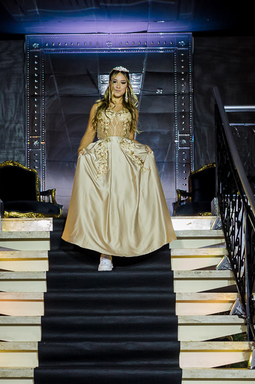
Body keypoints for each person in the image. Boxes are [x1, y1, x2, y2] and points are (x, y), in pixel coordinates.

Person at [61, 66, 177, 270]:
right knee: (104, 204)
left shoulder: (132, 109)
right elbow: (90, 131)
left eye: (122, 82)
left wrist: (143, 151)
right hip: (103, 158)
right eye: (115, 81)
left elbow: (131, 138)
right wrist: (81, 150)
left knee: (122, 203)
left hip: (123, 159)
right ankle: (105, 255)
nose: (118, 86)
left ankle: (126, 246)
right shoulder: (98, 106)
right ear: (110, 83)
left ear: (127, 85)